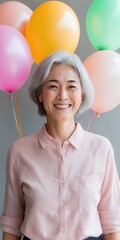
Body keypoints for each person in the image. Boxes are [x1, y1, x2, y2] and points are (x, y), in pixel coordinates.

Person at [1, 50, 120, 240]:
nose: (62, 95)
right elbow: (12, 224)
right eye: (53, 86)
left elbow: (112, 223)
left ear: (81, 94)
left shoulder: (101, 149)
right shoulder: (19, 152)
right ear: (40, 94)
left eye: (71, 86)